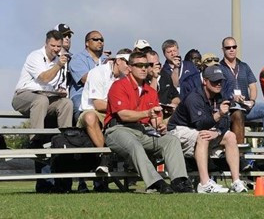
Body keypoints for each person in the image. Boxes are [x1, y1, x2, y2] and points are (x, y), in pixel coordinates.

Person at [104, 51, 193, 194]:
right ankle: (156, 183)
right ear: (130, 67)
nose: (144, 68)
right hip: (118, 129)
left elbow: (155, 118)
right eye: (139, 65)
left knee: (171, 140)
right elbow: (123, 114)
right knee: (135, 145)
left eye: (146, 65)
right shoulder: (119, 86)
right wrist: (146, 113)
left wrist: (159, 124)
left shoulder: (150, 91)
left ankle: (179, 181)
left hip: (142, 130)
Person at [168, 65, 248, 194]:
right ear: (205, 81)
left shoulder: (220, 96)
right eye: (214, 81)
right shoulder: (194, 97)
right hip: (179, 131)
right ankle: (204, 183)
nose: (218, 84)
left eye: (220, 81)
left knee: (230, 137)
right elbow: (200, 124)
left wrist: (217, 132)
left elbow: (226, 121)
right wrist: (218, 115)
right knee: (204, 135)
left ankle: (236, 181)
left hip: (200, 130)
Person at [12, 29, 73, 193]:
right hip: (24, 96)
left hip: (46, 99)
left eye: (58, 46)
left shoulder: (59, 60)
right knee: (41, 100)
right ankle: (35, 139)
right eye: (53, 45)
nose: (55, 49)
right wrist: (59, 65)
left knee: (66, 103)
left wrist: (60, 90)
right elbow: (44, 78)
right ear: (46, 43)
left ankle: (66, 138)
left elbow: (51, 85)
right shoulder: (35, 56)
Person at [219, 37, 264, 147]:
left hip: (246, 106)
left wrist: (252, 100)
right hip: (230, 108)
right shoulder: (219, 67)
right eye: (228, 47)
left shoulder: (244, 66)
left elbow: (253, 87)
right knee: (237, 112)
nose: (231, 49)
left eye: (234, 47)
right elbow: (218, 90)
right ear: (223, 50)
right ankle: (239, 153)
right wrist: (232, 98)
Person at [79, 49, 131, 158]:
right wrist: (120, 108)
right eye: (127, 62)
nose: (129, 66)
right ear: (118, 61)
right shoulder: (97, 72)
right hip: (94, 111)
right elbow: (97, 104)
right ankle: (105, 155)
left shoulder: (126, 78)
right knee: (89, 117)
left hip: (113, 112)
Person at [68, 30, 107, 120]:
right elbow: (85, 79)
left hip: (103, 94)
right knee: (80, 106)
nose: (99, 41)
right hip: (82, 94)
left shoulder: (107, 60)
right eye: (95, 39)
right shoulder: (77, 59)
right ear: (87, 43)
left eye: (101, 40)